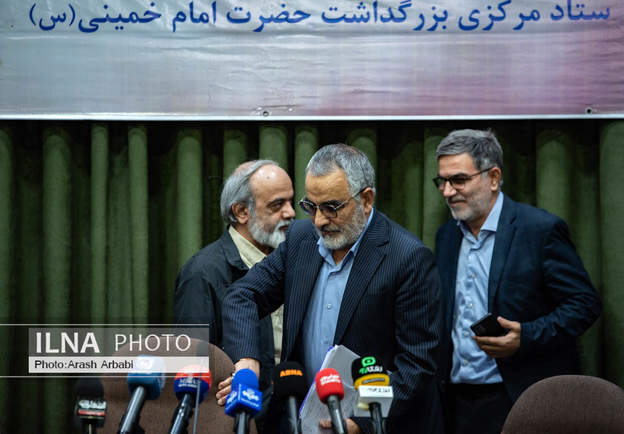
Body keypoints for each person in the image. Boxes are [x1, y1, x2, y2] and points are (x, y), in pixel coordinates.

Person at [216, 144, 443, 434]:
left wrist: (361, 422)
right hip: (298, 420)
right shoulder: (301, 240)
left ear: (366, 199)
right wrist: (247, 360)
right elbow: (243, 295)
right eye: (311, 207)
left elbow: (417, 365)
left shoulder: (408, 258)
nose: (319, 220)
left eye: (331, 207)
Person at [433, 129, 602, 434]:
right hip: (456, 401)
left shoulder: (539, 230)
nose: (447, 191)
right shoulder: (446, 236)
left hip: (518, 395)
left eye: (458, 180)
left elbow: (584, 304)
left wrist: (526, 336)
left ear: (493, 177)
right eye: (441, 181)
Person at [174, 160, 295, 432]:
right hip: (237, 422)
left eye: (290, 201)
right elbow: (192, 370)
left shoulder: (293, 262)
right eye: (277, 205)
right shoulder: (202, 274)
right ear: (241, 212)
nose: (290, 213)